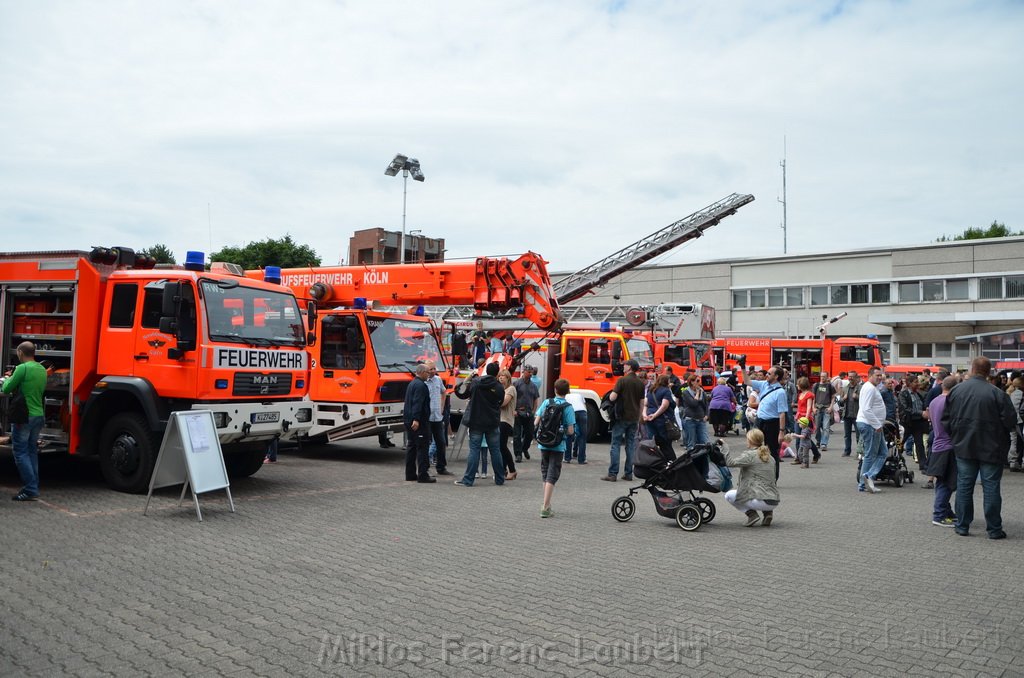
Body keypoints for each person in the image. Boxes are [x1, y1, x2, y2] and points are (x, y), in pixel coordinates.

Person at [942, 357, 1016, 539]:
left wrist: (956, 437)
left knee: (965, 486)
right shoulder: (998, 394)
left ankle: (962, 525)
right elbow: (1011, 421)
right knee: (991, 487)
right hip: (991, 448)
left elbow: (945, 420)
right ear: (989, 371)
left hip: (964, 447)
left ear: (972, 369)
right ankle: (993, 529)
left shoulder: (957, 391)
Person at [2, 342, 47, 501]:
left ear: (21, 353)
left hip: (23, 416)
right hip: (38, 414)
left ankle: (30, 489)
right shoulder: (42, 370)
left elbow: (6, 389)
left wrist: (8, 378)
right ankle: (33, 485)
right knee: (31, 451)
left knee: (20, 452)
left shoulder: (22, 368)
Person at [455, 362, 506, 487]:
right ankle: (499, 479)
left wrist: (465, 381)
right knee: (495, 450)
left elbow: (464, 394)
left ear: (486, 371)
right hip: (492, 422)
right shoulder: (499, 387)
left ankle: (468, 480)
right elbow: (500, 402)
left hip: (476, 421)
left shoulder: (476, 382)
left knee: (474, 450)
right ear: (497, 373)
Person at [535, 378, 575, 518]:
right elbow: (570, 431)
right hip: (558, 444)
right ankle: (545, 507)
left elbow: (536, 421)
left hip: (544, 442)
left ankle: (546, 503)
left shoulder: (547, 402)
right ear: (567, 391)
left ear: (555, 390)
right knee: (553, 475)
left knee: (545, 473)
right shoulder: (568, 407)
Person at [724, 429, 781, 527]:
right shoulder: (770, 457)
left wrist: (724, 448)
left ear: (750, 440)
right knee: (762, 487)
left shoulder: (749, 455)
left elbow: (730, 463)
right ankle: (768, 513)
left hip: (760, 501)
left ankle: (752, 515)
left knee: (729, 495)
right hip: (774, 500)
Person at [601, 359, 645, 482]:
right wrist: (640, 416)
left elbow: (613, 397)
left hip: (621, 417)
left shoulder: (622, 380)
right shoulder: (640, 383)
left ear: (630, 367)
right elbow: (642, 402)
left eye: (625, 365)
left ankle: (613, 474)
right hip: (634, 418)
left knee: (615, 444)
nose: (623, 366)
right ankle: (628, 473)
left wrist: (610, 396)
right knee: (630, 445)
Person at [925, 376, 958, 527]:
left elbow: (931, 420)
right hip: (948, 445)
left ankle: (946, 511)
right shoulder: (950, 402)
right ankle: (939, 515)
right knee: (946, 483)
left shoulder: (934, 401)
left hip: (937, 444)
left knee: (942, 481)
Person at [749, 366, 788, 479]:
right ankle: (757, 475)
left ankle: (773, 478)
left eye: (769, 374)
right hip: (760, 421)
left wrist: (781, 431)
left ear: (776, 377)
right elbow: (747, 381)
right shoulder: (764, 385)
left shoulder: (780, 392)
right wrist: (742, 367)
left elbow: (782, 413)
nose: (767, 375)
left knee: (772, 452)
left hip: (772, 423)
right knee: (755, 449)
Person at [402, 364, 435, 483]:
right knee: (422, 447)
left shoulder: (412, 383)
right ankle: (423, 474)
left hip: (408, 419)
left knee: (411, 446)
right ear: (421, 372)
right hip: (418, 422)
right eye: (427, 372)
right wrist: (416, 419)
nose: (429, 374)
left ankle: (410, 474)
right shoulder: (421, 386)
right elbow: (418, 403)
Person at [856, 367, 887, 494]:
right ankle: (866, 478)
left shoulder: (871, 387)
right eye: (877, 375)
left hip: (871, 424)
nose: (879, 377)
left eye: (881, 375)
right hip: (870, 425)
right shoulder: (869, 388)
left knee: (882, 452)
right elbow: (866, 409)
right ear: (870, 375)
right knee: (871, 454)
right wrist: (877, 425)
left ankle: (866, 479)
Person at [424, 360, 451, 476]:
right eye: (431, 369)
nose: (434, 371)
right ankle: (425, 467)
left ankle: (441, 467)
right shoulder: (423, 382)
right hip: (427, 418)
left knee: (441, 442)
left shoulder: (438, 380)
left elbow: (444, 392)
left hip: (437, 417)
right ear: (426, 370)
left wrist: (442, 406)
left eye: (434, 368)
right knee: (426, 442)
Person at [899, 375, 929, 475]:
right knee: (900, 443)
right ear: (910, 383)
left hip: (917, 423)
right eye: (915, 382)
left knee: (919, 444)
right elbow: (906, 409)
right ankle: (895, 458)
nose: (918, 384)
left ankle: (923, 465)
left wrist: (926, 411)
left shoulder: (918, 394)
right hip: (907, 423)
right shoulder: (904, 394)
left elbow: (922, 405)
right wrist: (921, 413)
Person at [643, 374, 676, 460]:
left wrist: (644, 415)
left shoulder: (651, 390)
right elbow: (664, 406)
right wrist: (655, 415)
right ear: (666, 381)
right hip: (661, 420)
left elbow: (645, 404)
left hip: (649, 419)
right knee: (666, 444)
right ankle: (671, 464)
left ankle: (657, 463)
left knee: (653, 442)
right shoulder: (666, 391)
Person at [513, 365, 540, 462]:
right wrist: (514, 410)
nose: (530, 374)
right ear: (524, 372)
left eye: (531, 372)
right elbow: (512, 397)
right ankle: (518, 454)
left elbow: (536, 399)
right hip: (518, 412)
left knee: (530, 434)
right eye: (529, 372)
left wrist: (533, 411)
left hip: (529, 413)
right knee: (517, 435)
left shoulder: (533, 386)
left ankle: (524, 448)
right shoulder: (516, 384)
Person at [496, 369, 518, 481]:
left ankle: (512, 470)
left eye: (503, 376)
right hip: (499, 420)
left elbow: (503, 403)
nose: (501, 377)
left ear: (508, 377)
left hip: (506, 420)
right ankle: (503, 470)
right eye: (499, 376)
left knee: (502, 446)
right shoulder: (500, 389)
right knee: (500, 447)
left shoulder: (511, 389)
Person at [679, 374, 709, 448]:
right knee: (691, 443)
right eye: (697, 381)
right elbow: (693, 404)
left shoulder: (702, 392)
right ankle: (691, 458)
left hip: (701, 419)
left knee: (703, 441)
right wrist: (698, 393)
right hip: (690, 419)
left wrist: (706, 415)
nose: (699, 383)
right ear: (692, 382)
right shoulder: (686, 392)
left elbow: (706, 404)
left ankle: (703, 458)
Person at [794, 377, 818, 467]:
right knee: (799, 438)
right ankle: (798, 458)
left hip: (805, 418)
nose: (797, 385)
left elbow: (809, 407)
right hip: (798, 417)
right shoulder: (800, 394)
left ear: (801, 385)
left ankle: (815, 454)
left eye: (798, 384)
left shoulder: (809, 394)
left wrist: (806, 419)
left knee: (805, 438)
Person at [812, 371, 835, 451]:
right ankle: (818, 441)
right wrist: (813, 408)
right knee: (817, 427)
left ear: (827, 377)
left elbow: (833, 397)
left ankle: (824, 443)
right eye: (821, 376)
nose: (822, 378)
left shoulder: (830, 386)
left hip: (826, 409)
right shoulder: (816, 385)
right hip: (818, 409)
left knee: (826, 428)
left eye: (824, 376)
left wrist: (831, 407)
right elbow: (813, 398)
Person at [840, 372, 861, 457]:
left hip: (857, 415)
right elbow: (840, 402)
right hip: (847, 415)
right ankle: (847, 451)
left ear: (856, 377)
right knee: (847, 435)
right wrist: (843, 399)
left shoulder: (860, 388)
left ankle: (859, 452)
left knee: (858, 435)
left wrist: (857, 397)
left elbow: (864, 400)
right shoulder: (845, 388)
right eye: (849, 376)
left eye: (852, 376)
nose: (851, 378)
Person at [564, 389, 588, 464]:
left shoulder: (565, 396)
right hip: (583, 412)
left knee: (569, 435)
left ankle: (567, 458)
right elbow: (584, 405)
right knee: (582, 437)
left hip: (572, 411)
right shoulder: (579, 395)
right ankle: (581, 459)